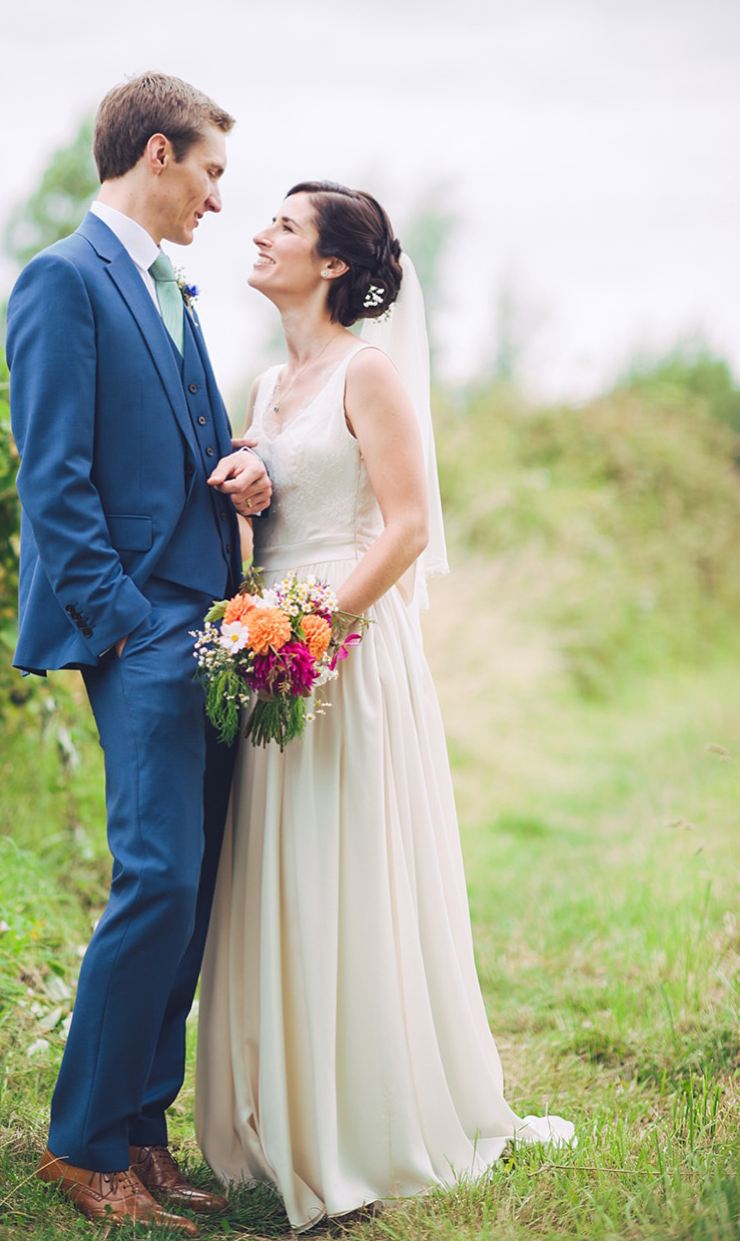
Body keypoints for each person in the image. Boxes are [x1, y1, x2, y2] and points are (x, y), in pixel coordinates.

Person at [195, 180, 572, 1229]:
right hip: (271, 649)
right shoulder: (273, 384)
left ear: (331, 265)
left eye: (283, 223)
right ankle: (285, 1116)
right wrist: (247, 495)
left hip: (343, 652)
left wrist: (309, 632)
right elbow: (283, 514)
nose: (260, 230)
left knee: (342, 867)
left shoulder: (370, 373)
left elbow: (403, 528)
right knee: (279, 872)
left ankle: (364, 1118)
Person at [6, 72, 271, 1233]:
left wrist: (248, 468)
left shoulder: (177, 289)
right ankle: (80, 1144)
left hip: (210, 625)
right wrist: (125, 623)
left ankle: (145, 1137)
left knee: (195, 885)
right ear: (158, 153)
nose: (221, 197)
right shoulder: (62, 279)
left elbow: (193, 444)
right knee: (156, 875)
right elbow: (52, 478)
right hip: (142, 630)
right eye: (212, 170)